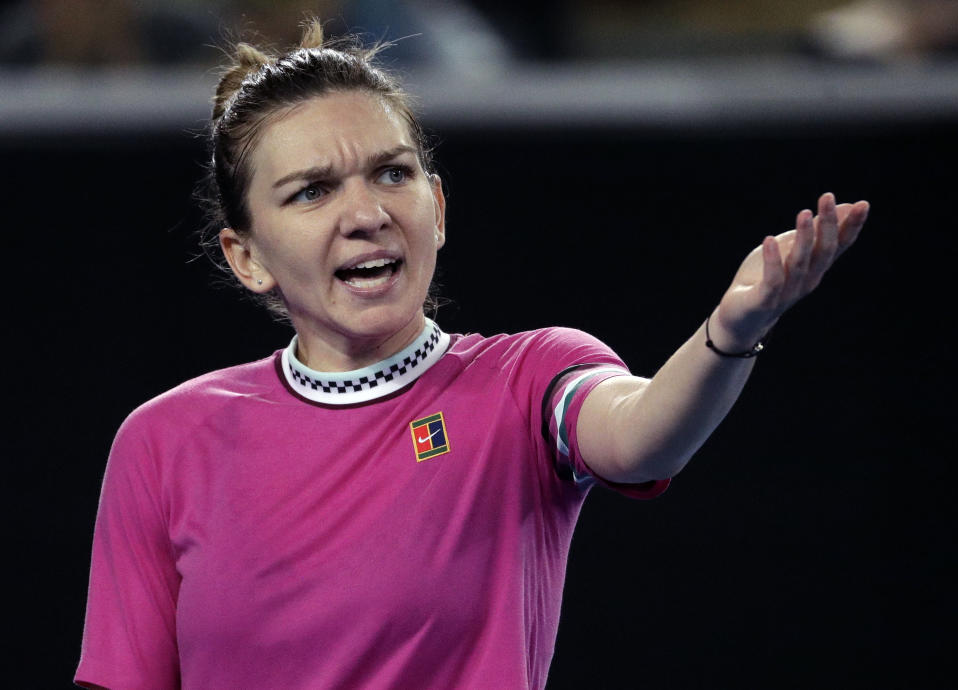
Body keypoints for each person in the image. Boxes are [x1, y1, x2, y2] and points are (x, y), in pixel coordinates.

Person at [74, 19, 870, 690]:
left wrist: (730, 331)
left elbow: (642, 431)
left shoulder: (526, 382)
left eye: (392, 174)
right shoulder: (163, 440)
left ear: (438, 207)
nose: (367, 214)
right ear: (246, 257)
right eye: (312, 191)